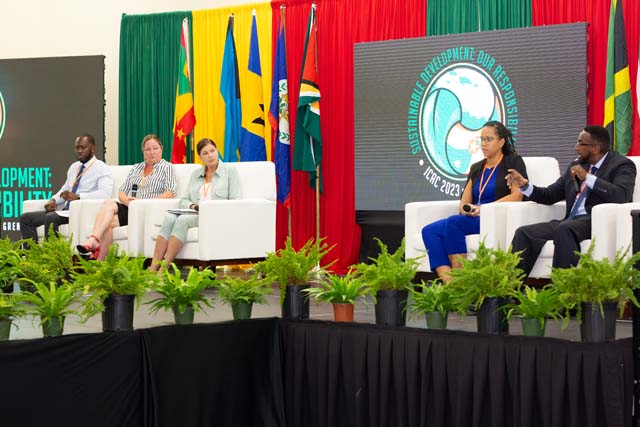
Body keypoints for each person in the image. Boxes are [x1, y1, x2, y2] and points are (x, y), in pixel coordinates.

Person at [506, 125, 636, 276]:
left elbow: (621, 195)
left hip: (597, 221)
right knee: (524, 233)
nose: (576, 147)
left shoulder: (622, 165)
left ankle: (561, 287)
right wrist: (525, 185)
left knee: (565, 229)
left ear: (595, 148)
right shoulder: (576, 166)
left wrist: (588, 178)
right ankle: (510, 287)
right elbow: (549, 195)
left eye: (581, 143)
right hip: (570, 221)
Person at [421, 121, 527, 282]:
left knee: (454, 222)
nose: (484, 144)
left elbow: (517, 196)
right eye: (481, 139)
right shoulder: (477, 167)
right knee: (429, 231)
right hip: (474, 217)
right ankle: (450, 283)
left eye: (488, 139)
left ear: (501, 142)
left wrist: (484, 208)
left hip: (494, 217)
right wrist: (468, 208)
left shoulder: (512, 162)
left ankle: (461, 278)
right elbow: (464, 201)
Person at [77, 134, 176, 260]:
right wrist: (127, 202)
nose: (152, 152)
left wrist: (143, 202)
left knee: (107, 223)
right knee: (108, 207)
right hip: (130, 207)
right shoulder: (136, 168)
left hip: (148, 210)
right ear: (143, 151)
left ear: (161, 148)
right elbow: (122, 191)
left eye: (155, 148)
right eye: (148, 149)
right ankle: (99, 257)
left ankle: (95, 250)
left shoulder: (167, 167)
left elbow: (170, 193)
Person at [149, 138, 240, 271]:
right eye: (205, 153)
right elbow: (184, 200)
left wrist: (211, 209)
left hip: (216, 215)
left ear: (217, 151)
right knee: (169, 218)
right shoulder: (196, 174)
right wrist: (194, 206)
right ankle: (152, 269)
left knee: (183, 220)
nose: (210, 155)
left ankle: (164, 269)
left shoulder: (230, 171)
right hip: (196, 212)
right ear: (200, 157)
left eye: (212, 151)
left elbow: (235, 200)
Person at [20, 134, 112, 245]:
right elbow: (65, 189)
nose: (79, 151)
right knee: (26, 218)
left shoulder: (102, 168)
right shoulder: (74, 167)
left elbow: (105, 194)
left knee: (51, 218)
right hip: (64, 212)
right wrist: (53, 200)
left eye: (83, 148)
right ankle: (31, 254)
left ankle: (53, 254)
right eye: (77, 148)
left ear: (92, 149)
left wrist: (78, 197)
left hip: (81, 212)